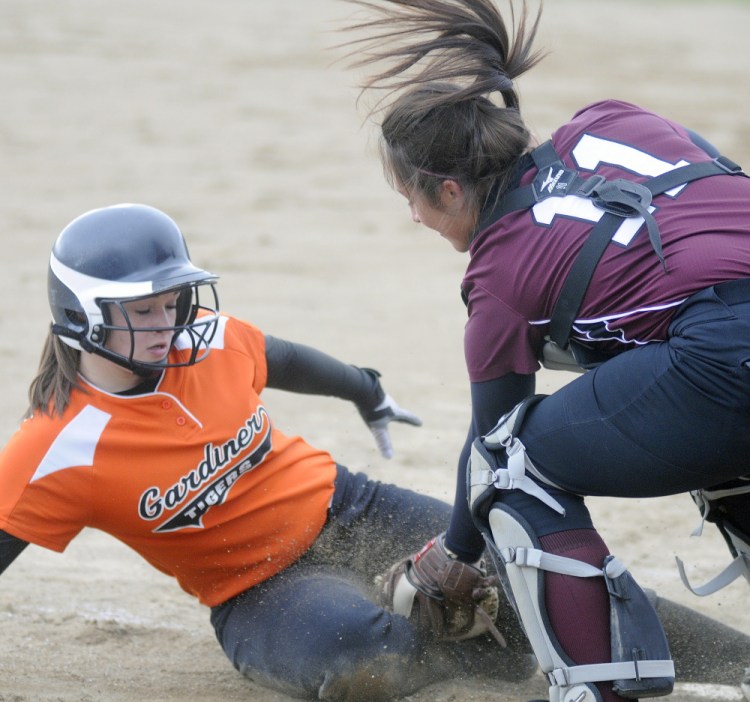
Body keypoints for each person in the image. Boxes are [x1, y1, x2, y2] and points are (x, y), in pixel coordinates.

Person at [340, 1, 750, 700]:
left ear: (448, 189)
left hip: (725, 355)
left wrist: (452, 556)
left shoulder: (498, 273)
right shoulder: (612, 119)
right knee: (703, 422)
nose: (414, 216)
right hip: (724, 337)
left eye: (411, 197)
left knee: (512, 460)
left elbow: (490, 445)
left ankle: (597, 688)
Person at [0, 203, 538, 702]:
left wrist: (367, 391)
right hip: (257, 589)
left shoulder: (207, 341)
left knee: (515, 575)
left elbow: (283, 359)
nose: (167, 325)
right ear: (81, 317)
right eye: (142, 312)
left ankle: (428, 622)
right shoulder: (57, 447)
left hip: (350, 508)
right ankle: (396, 622)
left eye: (172, 303)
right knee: (367, 660)